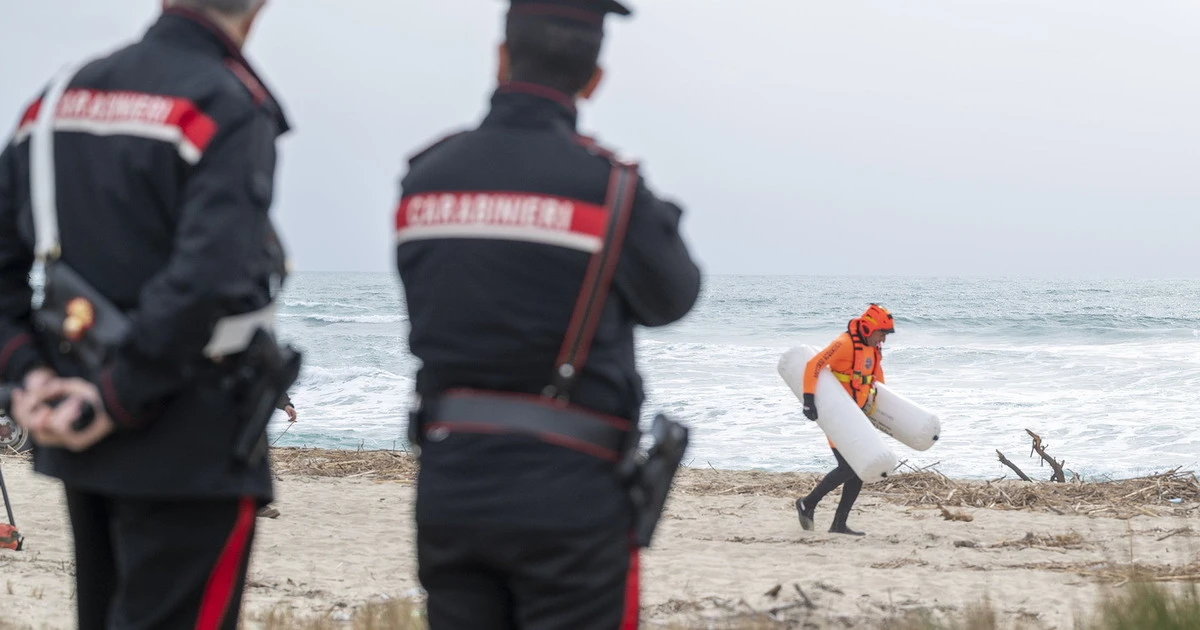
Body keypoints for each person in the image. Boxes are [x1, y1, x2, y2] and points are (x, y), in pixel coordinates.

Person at [394, 1, 702, 627]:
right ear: (594, 79)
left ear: (501, 58)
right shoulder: (611, 188)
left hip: (450, 478)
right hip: (567, 488)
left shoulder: (426, 178)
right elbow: (675, 296)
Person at [0, 1, 293, 627]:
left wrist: (25, 376)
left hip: (72, 420)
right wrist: (116, 397)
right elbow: (208, 278)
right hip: (190, 436)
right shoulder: (227, 105)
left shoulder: (51, 103)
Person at [795, 303, 896, 536]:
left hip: (857, 417)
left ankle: (839, 524)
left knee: (858, 469)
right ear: (870, 329)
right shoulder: (844, 344)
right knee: (848, 466)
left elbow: (877, 383)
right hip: (837, 416)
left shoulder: (873, 350)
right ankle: (807, 503)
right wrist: (808, 400)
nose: (884, 340)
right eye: (882, 334)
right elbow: (814, 365)